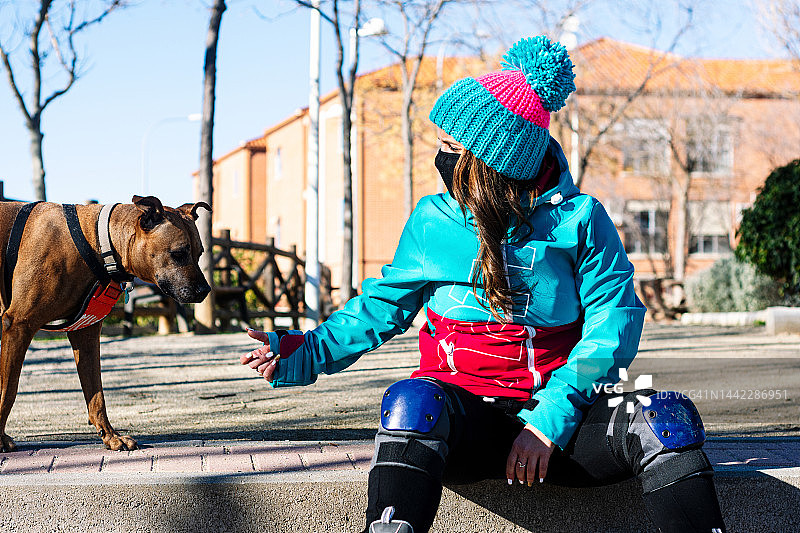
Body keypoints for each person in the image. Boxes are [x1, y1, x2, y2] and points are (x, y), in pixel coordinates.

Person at [240, 36, 727, 533]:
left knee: (667, 419)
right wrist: (300, 351)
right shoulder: (432, 220)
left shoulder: (581, 220)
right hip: (461, 425)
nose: (440, 157)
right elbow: (378, 310)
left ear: (491, 163)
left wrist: (548, 422)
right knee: (411, 402)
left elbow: (613, 325)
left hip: (561, 427)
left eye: (451, 147)